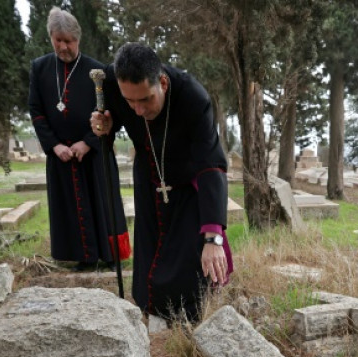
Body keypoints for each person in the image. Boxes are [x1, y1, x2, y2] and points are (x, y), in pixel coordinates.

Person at [91, 43, 232, 322]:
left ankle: (188, 317)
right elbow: (109, 121)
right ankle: (150, 309)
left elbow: (211, 164)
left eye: (145, 100)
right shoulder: (110, 82)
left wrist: (213, 236)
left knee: (186, 253)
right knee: (149, 249)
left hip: (186, 178)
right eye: (131, 102)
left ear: (163, 83)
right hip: (148, 175)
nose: (139, 110)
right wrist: (104, 127)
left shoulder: (194, 97)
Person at [28, 7, 129, 271]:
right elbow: (37, 112)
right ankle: (81, 257)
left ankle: (109, 257)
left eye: (68, 41)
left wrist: (88, 142)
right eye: (58, 40)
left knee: (103, 204)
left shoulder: (97, 71)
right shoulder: (40, 68)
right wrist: (55, 145)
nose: (63, 46)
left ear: (78, 39)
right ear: (51, 37)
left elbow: (111, 116)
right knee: (69, 208)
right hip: (61, 156)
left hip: (94, 154)